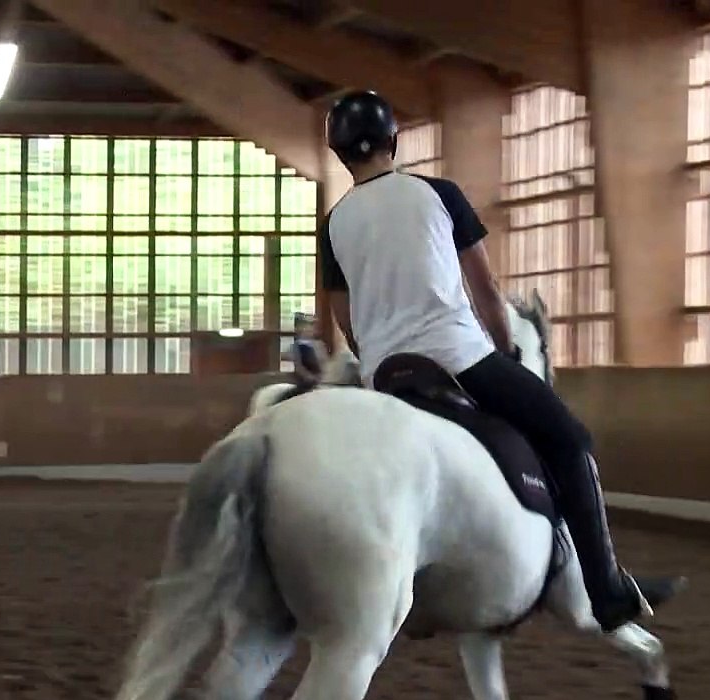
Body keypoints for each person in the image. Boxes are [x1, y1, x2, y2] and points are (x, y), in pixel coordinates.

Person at [318, 89, 682, 633]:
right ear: (394, 140)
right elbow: (484, 288)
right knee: (569, 438)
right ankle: (605, 589)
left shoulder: (334, 223)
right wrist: (504, 348)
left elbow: (344, 320)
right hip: (458, 356)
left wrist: (376, 361)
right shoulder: (437, 193)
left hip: (388, 376)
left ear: (340, 153)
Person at [277, 312, 325, 403]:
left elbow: (323, 363)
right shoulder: (297, 346)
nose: (311, 329)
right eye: (308, 326)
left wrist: (322, 378)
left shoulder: (318, 345)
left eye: (312, 326)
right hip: (305, 382)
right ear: (300, 328)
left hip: (320, 381)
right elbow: (298, 366)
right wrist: (309, 378)